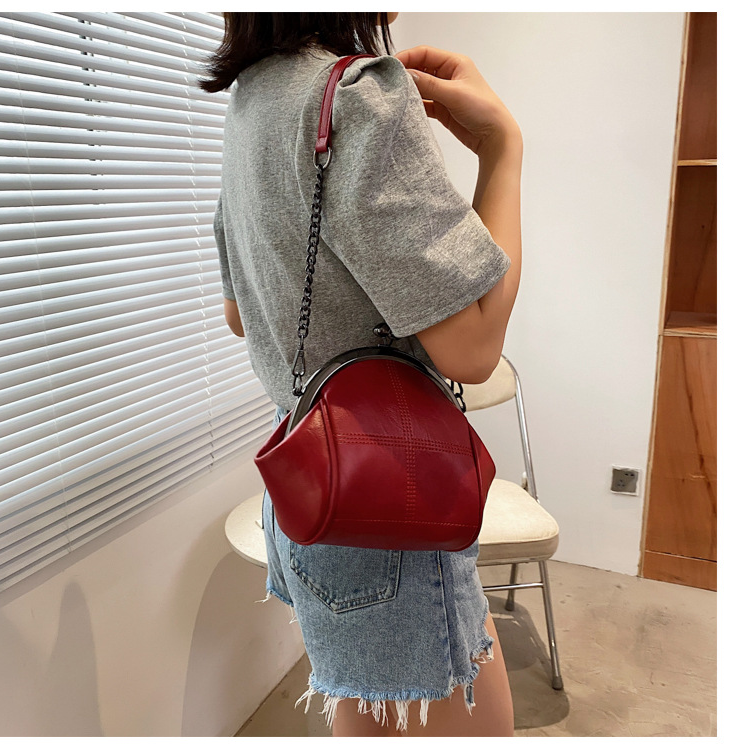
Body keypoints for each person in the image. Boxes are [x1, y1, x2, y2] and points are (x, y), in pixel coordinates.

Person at [201, 12, 521, 737]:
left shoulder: (253, 100)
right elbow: (473, 349)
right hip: (391, 501)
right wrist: (502, 148)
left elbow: (239, 315)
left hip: (310, 483)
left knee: (368, 713)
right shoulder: (356, 97)